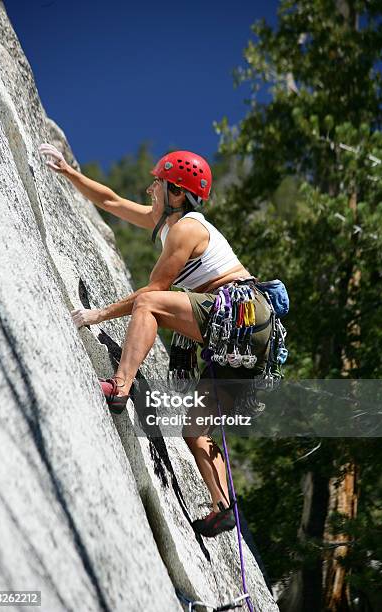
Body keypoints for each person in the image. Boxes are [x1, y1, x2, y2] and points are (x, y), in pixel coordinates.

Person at [39, 143, 272, 537]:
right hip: (251, 332)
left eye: (158, 184)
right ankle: (223, 507)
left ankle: (119, 386)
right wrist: (69, 173)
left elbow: (153, 292)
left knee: (148, 301)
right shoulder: (168, 223)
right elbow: (111, 201)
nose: (150, 190)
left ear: (177, 194)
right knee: (194, 432)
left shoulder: (186, 229)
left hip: (238, 314)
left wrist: (97, 314)